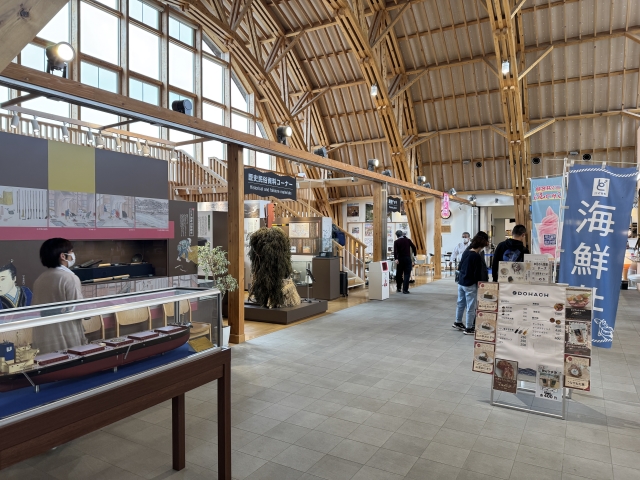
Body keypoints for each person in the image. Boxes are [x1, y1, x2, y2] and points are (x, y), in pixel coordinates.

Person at [32, 238, 87, 354]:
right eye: (71, 251)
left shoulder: (40, 279)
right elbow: (78, 310)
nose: (73, 255)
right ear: (63, 256)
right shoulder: (70, 278)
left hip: (44, 337)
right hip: (66, 336)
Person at [453, 232, 490, 334]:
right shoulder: (476, 256)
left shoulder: (466, 252)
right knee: (471, 306)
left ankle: (458, 322)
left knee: (460, 303)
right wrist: (480, 284)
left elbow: (460, 266)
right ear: (481, 246)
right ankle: (469, 328)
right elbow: (477, 273)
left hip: (461, 282)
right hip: (470, 284)